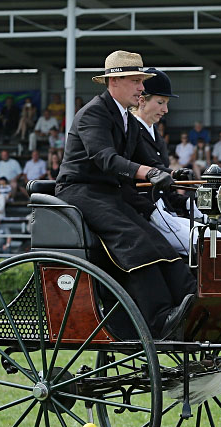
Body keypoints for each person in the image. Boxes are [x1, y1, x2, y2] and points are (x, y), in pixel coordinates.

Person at [55, 51, 197, 339]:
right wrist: (148, 173)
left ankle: (189, 299)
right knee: (134, 239)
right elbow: (105, 158)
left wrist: (173, 175)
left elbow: (149, 162)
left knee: (156, 237)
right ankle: (158, 318)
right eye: (136, 81)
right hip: (81, 191)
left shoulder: (128, 121)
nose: (141, 88)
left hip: (111, 194)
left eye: (141, 82)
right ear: (114, 81)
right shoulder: (93, 114)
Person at [129, 68, 205, 257]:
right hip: (144, 216)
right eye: (161, 102)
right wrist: (151, 211)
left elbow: (164, 189)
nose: (166, 110)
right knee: (206, 242)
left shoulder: (157, 136)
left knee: (215, 237)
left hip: (165, 212)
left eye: (166, 103)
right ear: (142, 100)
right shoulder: (131, 131)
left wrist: (187, 204)